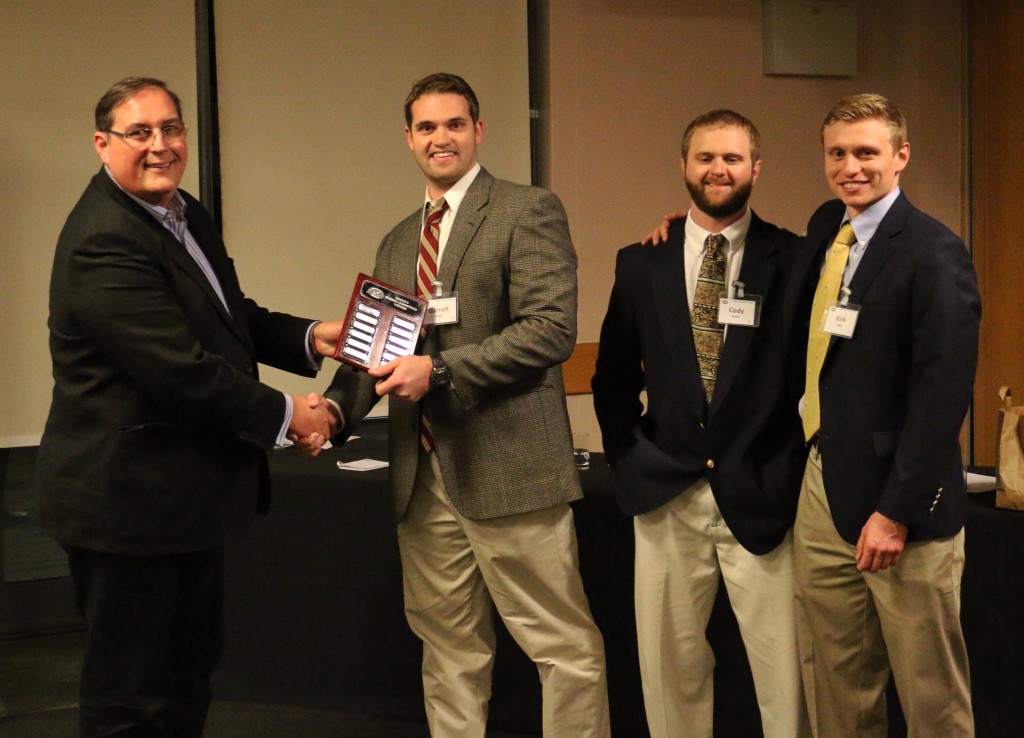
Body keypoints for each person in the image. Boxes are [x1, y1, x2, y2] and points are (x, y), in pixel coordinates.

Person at [37, 76, 342, 738]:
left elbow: (226, 317)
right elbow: (181, 372)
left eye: (171, 129)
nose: (161, 145)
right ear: (102, 144)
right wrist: (293, 418)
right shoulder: (102, 241)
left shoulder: (182, 210)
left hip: (184, 504)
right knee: (130, 701)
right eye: (139, 132)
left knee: (186, 679)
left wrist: (312, 335)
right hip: (127, 510)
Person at [313, 72, 609, 737]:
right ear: (408, 138)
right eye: (426, 127)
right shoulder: (397, 240)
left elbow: (550, 329)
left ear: (478, 130)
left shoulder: (526, 209)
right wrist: (333, 413)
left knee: (562, 647)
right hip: (424, 481)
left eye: (453, 124)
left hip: (511, 471)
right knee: (448, 650)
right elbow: (375, 350)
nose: (440, 138)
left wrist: (440, 370)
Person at [591, 110, 810, 738]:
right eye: (706, 158)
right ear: (684, 167)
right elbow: (611, 377)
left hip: (764, 496)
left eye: (733, 159)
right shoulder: (640, 264)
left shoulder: (794, 260)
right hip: (666, 495)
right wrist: (628, 456)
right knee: (670, 676)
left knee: (785, 679)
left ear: (756, 169)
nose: (718, 170)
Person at [786, 93, 980, 737]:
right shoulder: (825, 228)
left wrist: (895, 513)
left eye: (867, 152)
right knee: (837, 682)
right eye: (837, 153)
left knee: (930, 695)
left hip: (902, 510)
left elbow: (942, 396)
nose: (851, 167)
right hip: (823, 484)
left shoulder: (934, 252)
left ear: (901, 156)